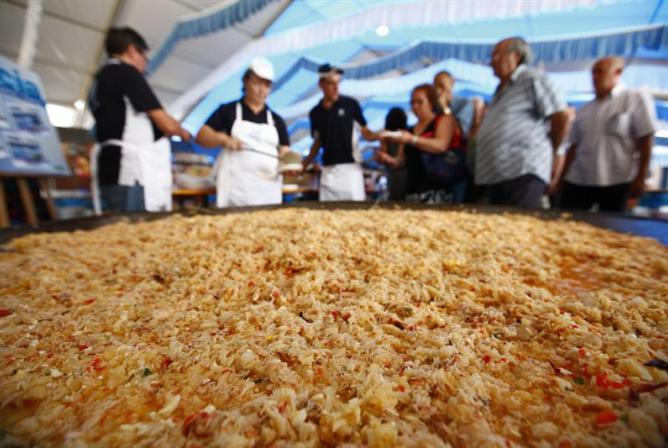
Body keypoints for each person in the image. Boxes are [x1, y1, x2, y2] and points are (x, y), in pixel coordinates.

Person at [89, 27, 191, 214]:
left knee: (120, 227)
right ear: (131, 51)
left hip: (110, 170)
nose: (145, 63)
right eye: (144, 57)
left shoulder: (100, 77)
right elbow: (166, 124)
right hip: (131, 172)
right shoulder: (126, 73)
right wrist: (183, 132)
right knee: (136, 231)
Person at [475, 37, 570, 208]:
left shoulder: (531, 78)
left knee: (519, 226)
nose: (492, 62)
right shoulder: (501, 89)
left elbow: (560, 116)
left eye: (497, 56)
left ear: (516, 56)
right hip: (499, 173)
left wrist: (555, 153)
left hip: (522, 170)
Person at [558, 57, 656, 212]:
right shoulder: (584, 110)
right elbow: (573, 148)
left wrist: (641, 177)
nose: (595, 77)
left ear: (617, 73)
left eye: (600, 72)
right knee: (564, 224)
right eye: (593, 73)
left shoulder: (634, 99)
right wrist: (561, 178)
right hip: (578, 180)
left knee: (612, 229)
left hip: (617, 181)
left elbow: (646, 139)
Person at [195, 58, 291, 207]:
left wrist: (289, 165)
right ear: (245, 82)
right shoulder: (228, 111)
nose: (261, 90)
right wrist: (223, 139)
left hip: (268, 191)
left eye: (266, 85)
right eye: (257, 83)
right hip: (237, 190)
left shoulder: (276, 120)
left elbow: (285, 151)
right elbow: (201, 136)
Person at [302, 63, 381, 201]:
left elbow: (366, 132)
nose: (336, 87)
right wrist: (305, 163)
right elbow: (317, 141)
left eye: (338, 83)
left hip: (351, 170)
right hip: (328, 172)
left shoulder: (350, 105)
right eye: (331, 83)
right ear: (321, 84)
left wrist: (382, 135)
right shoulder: (315, 113)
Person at [377, 84, 466, 204]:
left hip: (439, 189)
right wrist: (387, 159)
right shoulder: (410, 130)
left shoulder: (443, 120)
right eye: (412, 102)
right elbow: (401, 161)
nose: (415, 106)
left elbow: (441, 145)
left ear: (431, 102)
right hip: (413, 191)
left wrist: (412, 140)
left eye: (420, 102)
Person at [433, 71, 484, 140]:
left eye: (441, 86)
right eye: (435, 86)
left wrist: (445, 107)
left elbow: (459, 132)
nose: (438, 90)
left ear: (451, 84)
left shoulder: (464, 104)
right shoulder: (433, 107)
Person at [376, 108, 408, 200]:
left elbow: (383, 158)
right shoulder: (405, 135)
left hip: (394, 173)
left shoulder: (385, 136)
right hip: (401, 173)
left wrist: (384, 157)